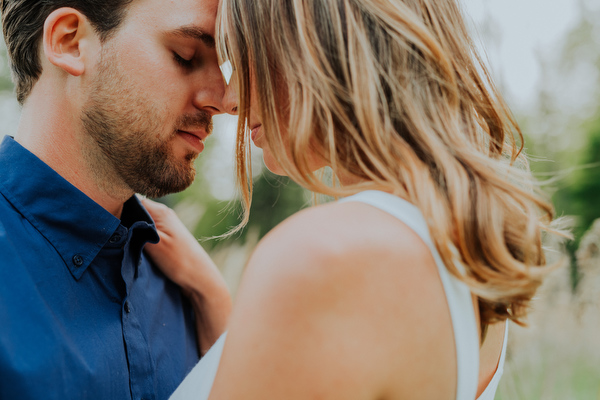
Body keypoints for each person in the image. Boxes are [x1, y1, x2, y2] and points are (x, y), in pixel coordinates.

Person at [143, 0, 561, 399]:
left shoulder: (325, 258)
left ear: (318, 46)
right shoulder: (462, 254)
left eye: (248, 57)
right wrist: (211, 298)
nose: (230, 99)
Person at [0, 0, 236, 398]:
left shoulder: (185, 289)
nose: (224, 99)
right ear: (70, 41)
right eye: (185, 56)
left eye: (224, 65)